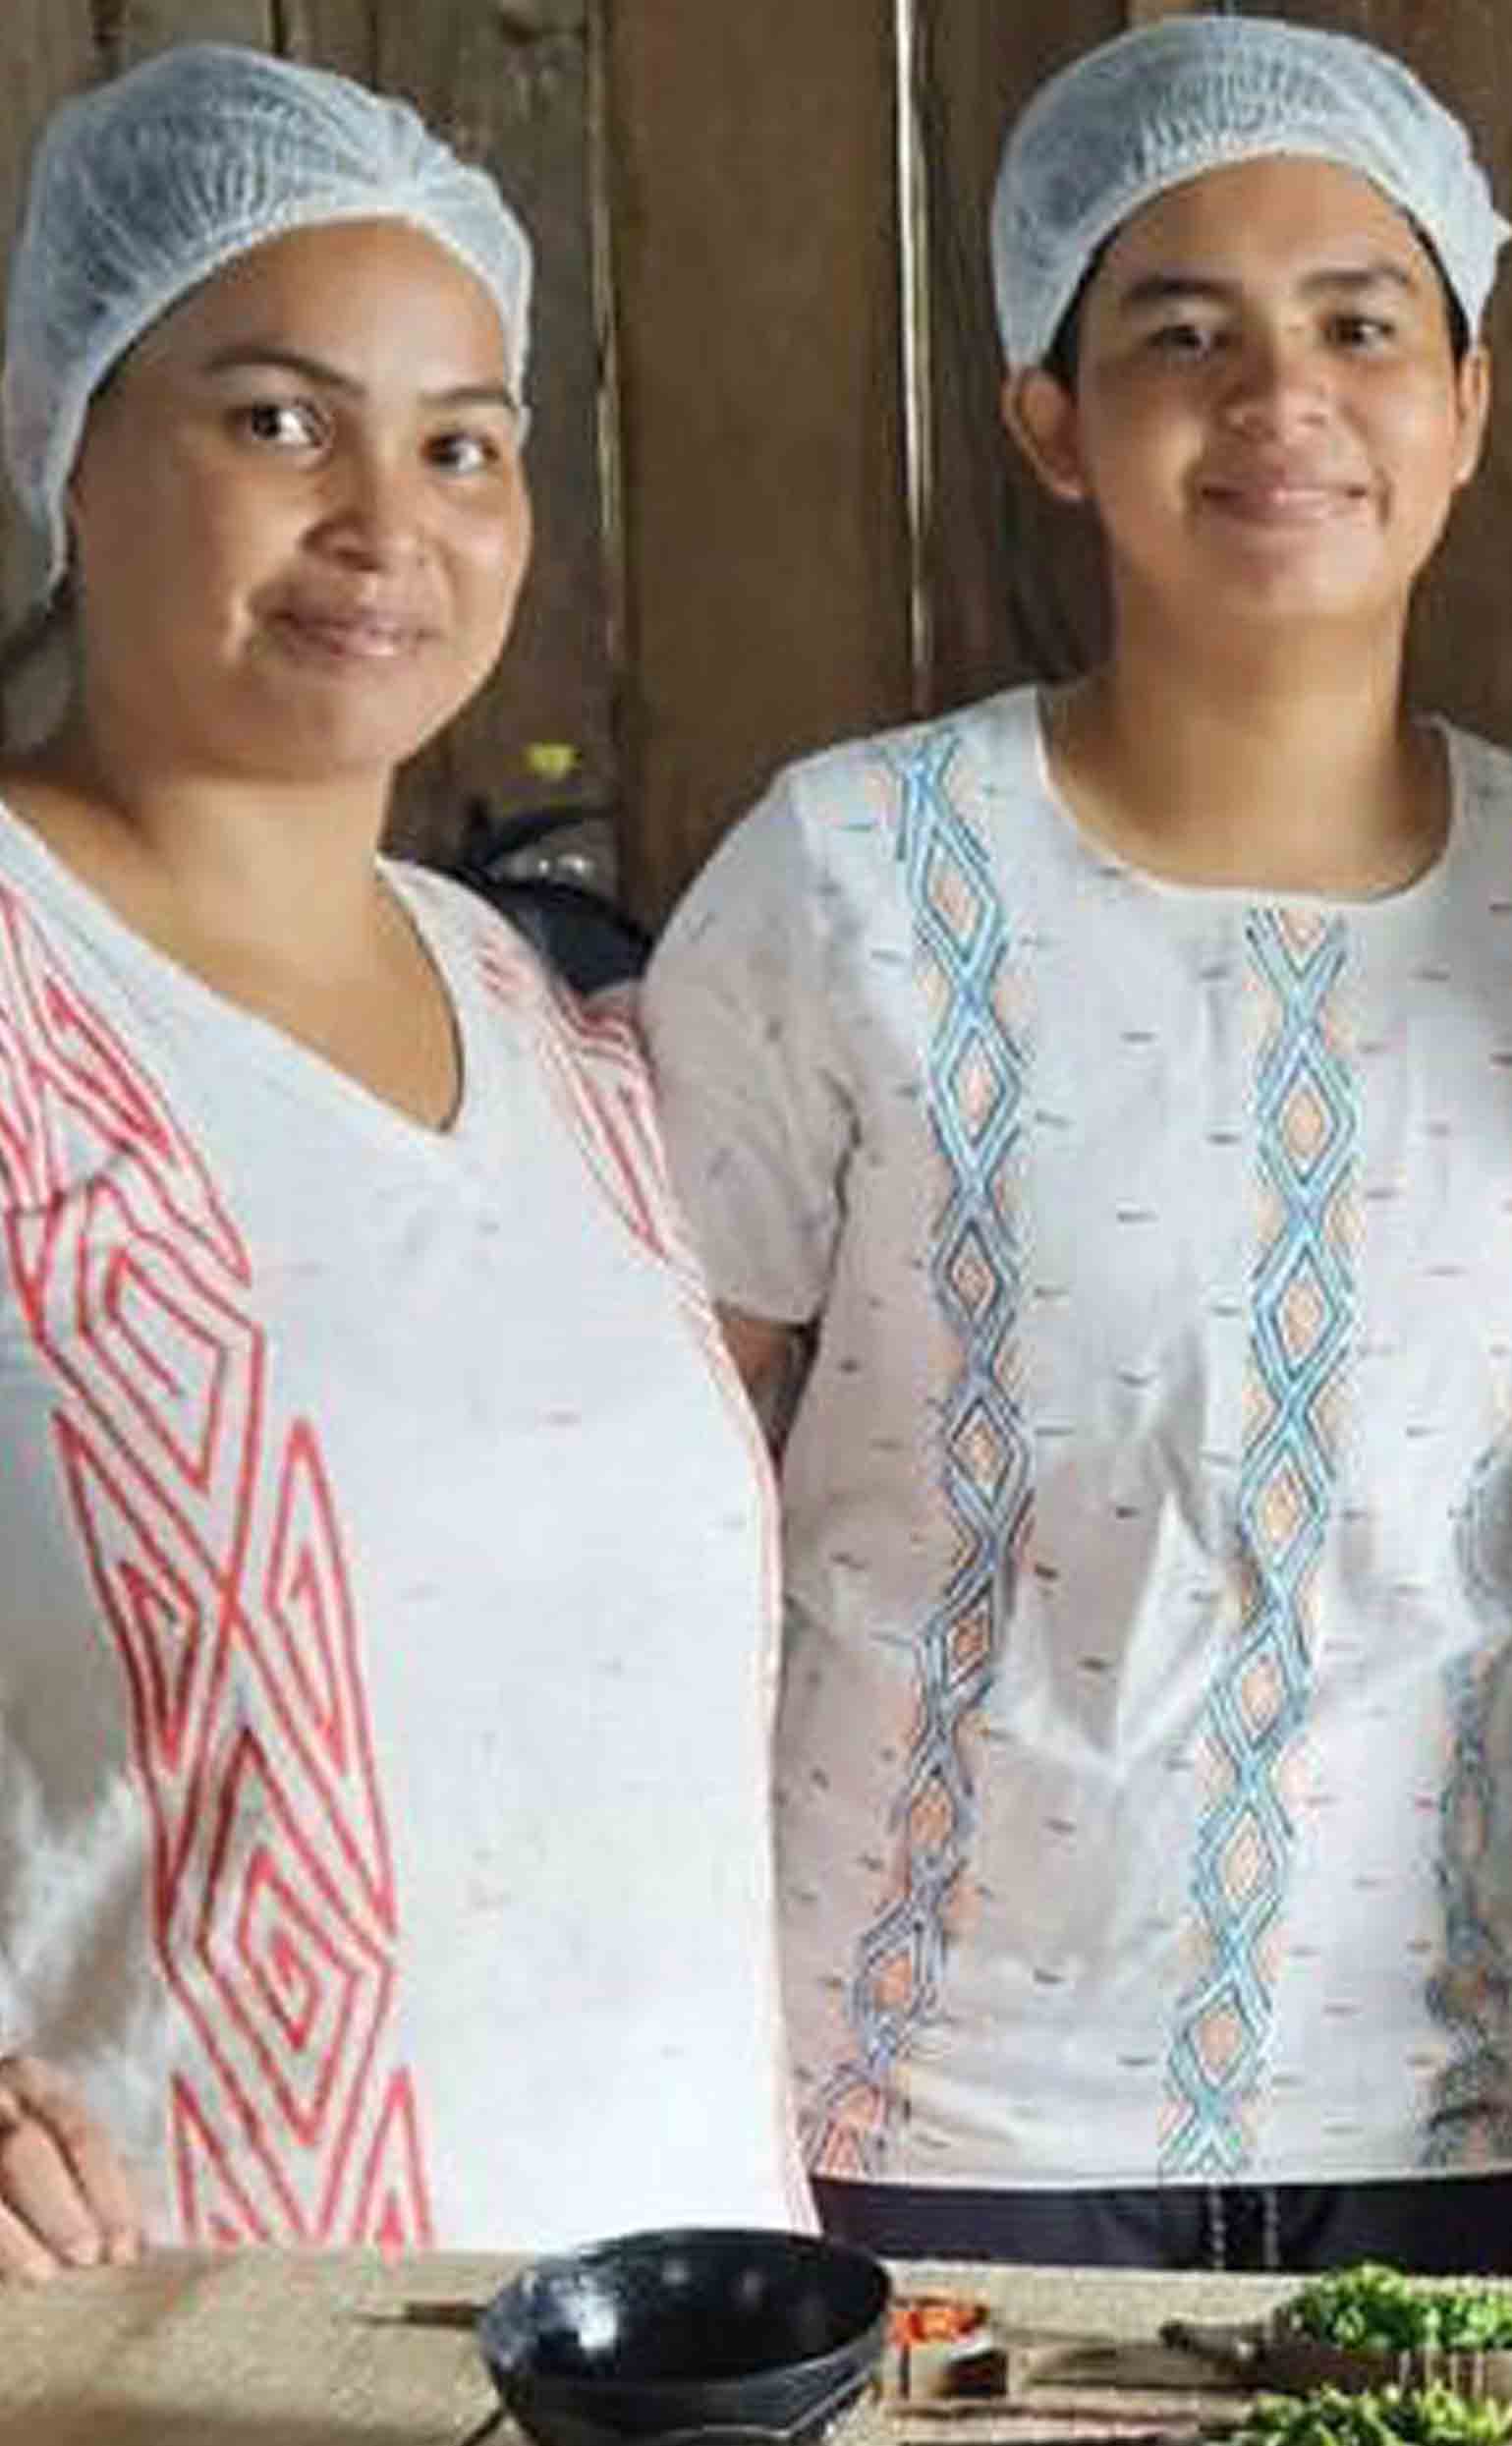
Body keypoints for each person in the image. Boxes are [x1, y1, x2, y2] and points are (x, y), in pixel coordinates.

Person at [637, 17, 1512, 2275]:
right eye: (1183, 334)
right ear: (1052, 420)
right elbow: (653, 1480)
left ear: (1465, 404)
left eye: (1359, 327)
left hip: (1461, 2087)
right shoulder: (859, 878)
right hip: (927, 2084)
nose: (1283, 398)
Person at [0, 45, 788, 2276]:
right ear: (69, 448)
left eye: (462, 445)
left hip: (680, 2352)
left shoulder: (547, 1017)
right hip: (162, 2366)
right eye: (278, 421)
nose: (385, 522)